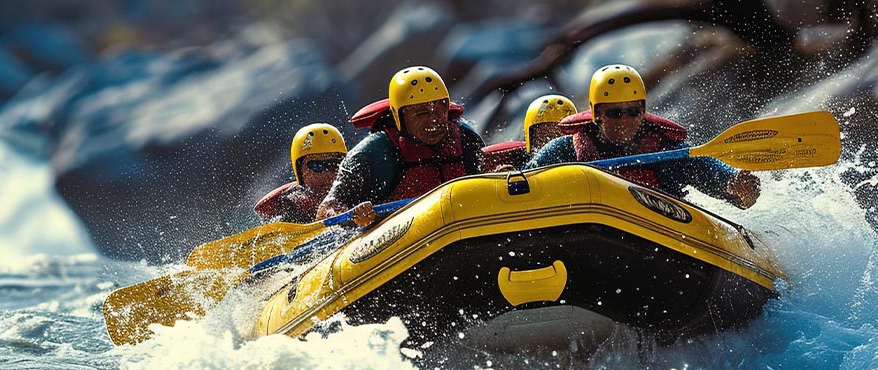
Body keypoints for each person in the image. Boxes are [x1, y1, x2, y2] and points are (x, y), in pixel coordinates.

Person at [524, 64, 760, 208]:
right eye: (615, 113)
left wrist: (737, 185)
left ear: (643, 112)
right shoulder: (564, 150)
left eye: (633, 112)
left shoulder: (665, 151)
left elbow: (714, 174)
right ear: (597, 114)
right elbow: (524, 181)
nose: (625, 121)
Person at [315, 66, 485, 228]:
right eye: (421, 113)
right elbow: (327, 209)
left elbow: (483, 177)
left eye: (440, 110)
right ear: (399, 116)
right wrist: (353, 216)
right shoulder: (372, 153)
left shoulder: (465, 138)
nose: (434, 119)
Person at [253, 123, 348, 223]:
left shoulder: (355, 187)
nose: (327, 174)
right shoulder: (291, 202)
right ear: (300, 170)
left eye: (334, 164)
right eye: (317, 166)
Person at [482, 94, 577, 172]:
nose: (551, 142)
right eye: (544, 136)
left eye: (558, 135)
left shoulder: (584, 159)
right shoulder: (523, 167)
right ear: (531, 140)